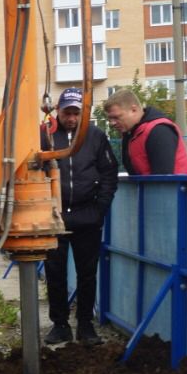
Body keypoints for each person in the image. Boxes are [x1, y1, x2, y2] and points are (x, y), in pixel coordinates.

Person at [42, 88, 119, 345]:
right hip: (55, 216)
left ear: (83, 113)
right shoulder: (47, 136)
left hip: (88, 215)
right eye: (67, 112)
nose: (71, 118)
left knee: (88, 273)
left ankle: (85, 325)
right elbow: (32, 168)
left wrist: (101, 207)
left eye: (76, 113)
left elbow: (109, 172)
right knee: (55, 273)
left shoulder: (95, 136)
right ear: (58, 111)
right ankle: (60, 324)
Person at [103, 88, 187, 175]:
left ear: (133, 110)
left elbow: (162, 181)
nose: (112, 123)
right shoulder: (131, 133)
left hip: (175, 189)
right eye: (110, 119)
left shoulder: (159, 131)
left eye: (116, 117)